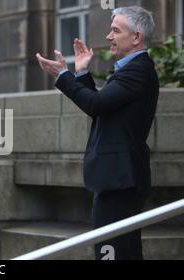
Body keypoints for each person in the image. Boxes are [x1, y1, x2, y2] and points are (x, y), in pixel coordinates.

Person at [36, 6, 158, 260]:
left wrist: (63, 75)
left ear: (136, 37)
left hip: (120, 178)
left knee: (112, 252)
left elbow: (96, 104)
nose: (108, 37)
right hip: (117, 177)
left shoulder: (138, 69)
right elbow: (102, 109)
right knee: (119, 250)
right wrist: (81, 73)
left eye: (115, 30)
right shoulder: (132, 68)